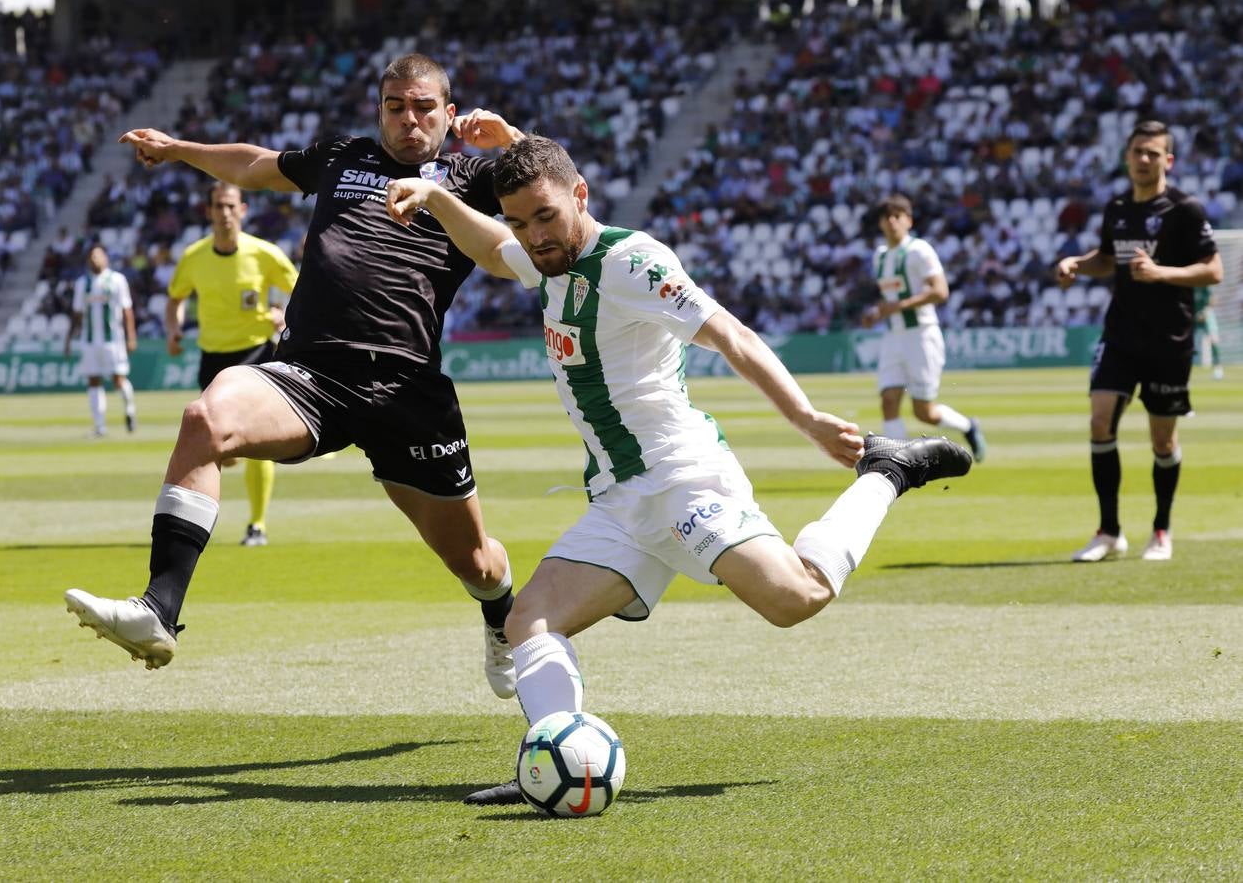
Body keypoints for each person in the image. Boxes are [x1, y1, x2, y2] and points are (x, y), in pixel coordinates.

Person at [383, 136, 973, 805]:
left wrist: (805, 419)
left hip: (683, 478)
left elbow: (731, 335)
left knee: (796, 598)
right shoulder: (548, 259)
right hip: (619, 498)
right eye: (520, 222)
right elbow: (491, 249)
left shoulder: (632, 261)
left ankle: (885, 471)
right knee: (528, 625)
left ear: (580, 198)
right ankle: (552, 760)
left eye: (543, 217)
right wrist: (433, 195)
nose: (532, 237)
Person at [63, 54, 526, 699]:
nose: (410, 119)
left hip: (406, 388)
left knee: (475, 561)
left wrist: (517, 143)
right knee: (206, 419)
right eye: (396, 106)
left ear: (450, 114)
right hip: (310, 373)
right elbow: (255, 165)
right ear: (380, 110)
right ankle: (158, 609)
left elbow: (561, 207)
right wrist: (177, 149)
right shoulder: (345, 156)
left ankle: (501, 614)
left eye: (424, 107)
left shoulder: (472, 176)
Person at [1055, 120, 1222, 562]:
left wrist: (1161, 273)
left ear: (1168, 160)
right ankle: (1109, 532)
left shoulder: (1185, 209)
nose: (1144, 159)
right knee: (1099, 420)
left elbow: (1214, 269)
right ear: (1127, 157)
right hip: (1121, 334)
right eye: (1137, 152)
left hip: (1170, 339)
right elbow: (1108, 259)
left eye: (1153, 153)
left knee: (1162, 442)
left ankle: (1161, 531)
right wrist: (1076, 263)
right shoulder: (1117, 209)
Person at [166, 182, 298, 547]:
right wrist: (174, 330)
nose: (224, 213)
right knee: (218, 447)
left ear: (242, 210)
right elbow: (175, 298)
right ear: (209, 212)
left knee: (260, 443)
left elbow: (304, 290)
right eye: (218, 207)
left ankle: (257, 525)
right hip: (214, 359)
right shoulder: (194, 257)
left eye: (230, 206)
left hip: (257, 354)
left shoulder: (264, 254)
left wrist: (286, 315)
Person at [861, 194, 986, 462]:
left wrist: (901, 305)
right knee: (889, 400)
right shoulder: (880, 257)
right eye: (887, 217)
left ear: (909, 220)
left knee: (924, 412)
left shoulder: (919, 250)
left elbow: (940, 291)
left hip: (922, 335)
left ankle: (968, 426)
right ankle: (899, 463)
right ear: (881, 223)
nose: (892, 221)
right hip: (893, 337)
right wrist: (875, 314)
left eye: (898, 216)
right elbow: (889, 300)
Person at [63, 244, 137, 437]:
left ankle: (129, 409)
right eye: (91, 256)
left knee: (118, 379)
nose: (94, 259)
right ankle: (100, 426)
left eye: (98, 255)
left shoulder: (117, 280)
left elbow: (127, 310)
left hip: (113, 340)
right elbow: (77, 313)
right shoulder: (82, 283)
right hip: (89, 341)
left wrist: (131, 336)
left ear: (106, 258)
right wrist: (69, 339)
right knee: (93, 381)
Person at [1194, 285, 1224, 381]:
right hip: (1193, 316)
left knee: (1213, 340)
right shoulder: (1190, 285)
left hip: (1206, 316)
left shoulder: (1205, 286)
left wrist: (1205, 312)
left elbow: (1213, 299)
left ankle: (1218, 368)